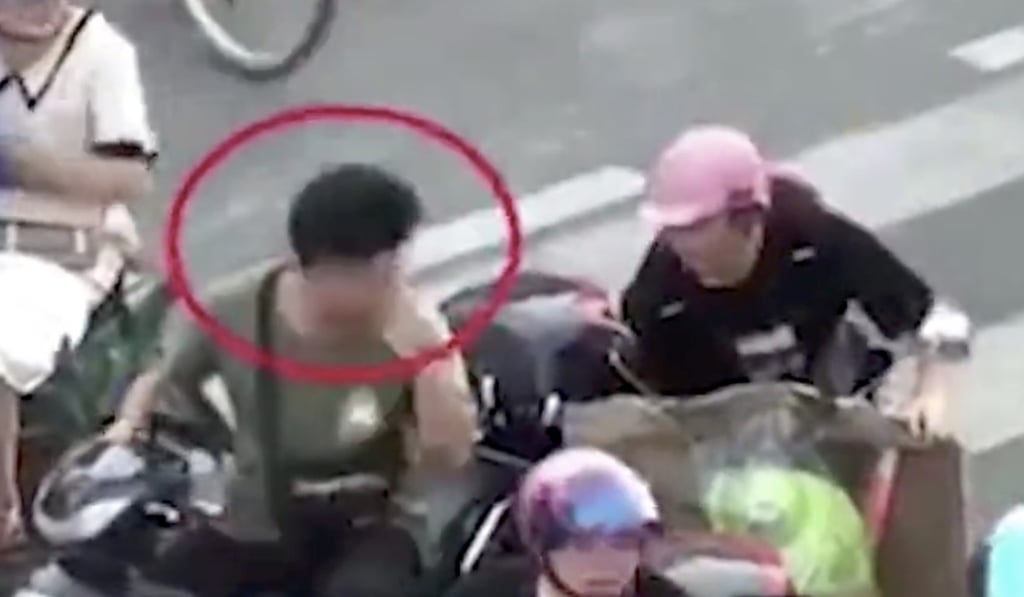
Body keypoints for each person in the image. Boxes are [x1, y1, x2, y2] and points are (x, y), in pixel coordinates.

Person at [104, 163, 478, 596]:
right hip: (257, 515)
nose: (392, 284)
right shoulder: (236, 309)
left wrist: (431, 365)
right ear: (314, 267)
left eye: (396, 264)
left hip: (374, 522)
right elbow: (162, 380)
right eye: (373, 273)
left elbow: (449, 457)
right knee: (160, 584)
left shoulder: (414, 327)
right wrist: (129, 430)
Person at [618, 124, 971, 437]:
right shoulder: (659, 297)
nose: (681, 245)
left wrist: (930, 395)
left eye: (696, 228)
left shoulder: (816, 241)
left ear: (748, 219)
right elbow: (654, 405)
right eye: (671, 231)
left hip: (843, 400)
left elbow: (937, 320)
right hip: (738, 434)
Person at [0, 0, 156, 551]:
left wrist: (24, 165)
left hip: (60, 248)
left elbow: (129, 179)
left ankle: (3, 513)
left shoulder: (101, 53)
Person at [444, 446, 689, 597]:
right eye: (583, 543)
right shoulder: (484, 591)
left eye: (622, 541)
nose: (605, 562)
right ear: (542, 545)